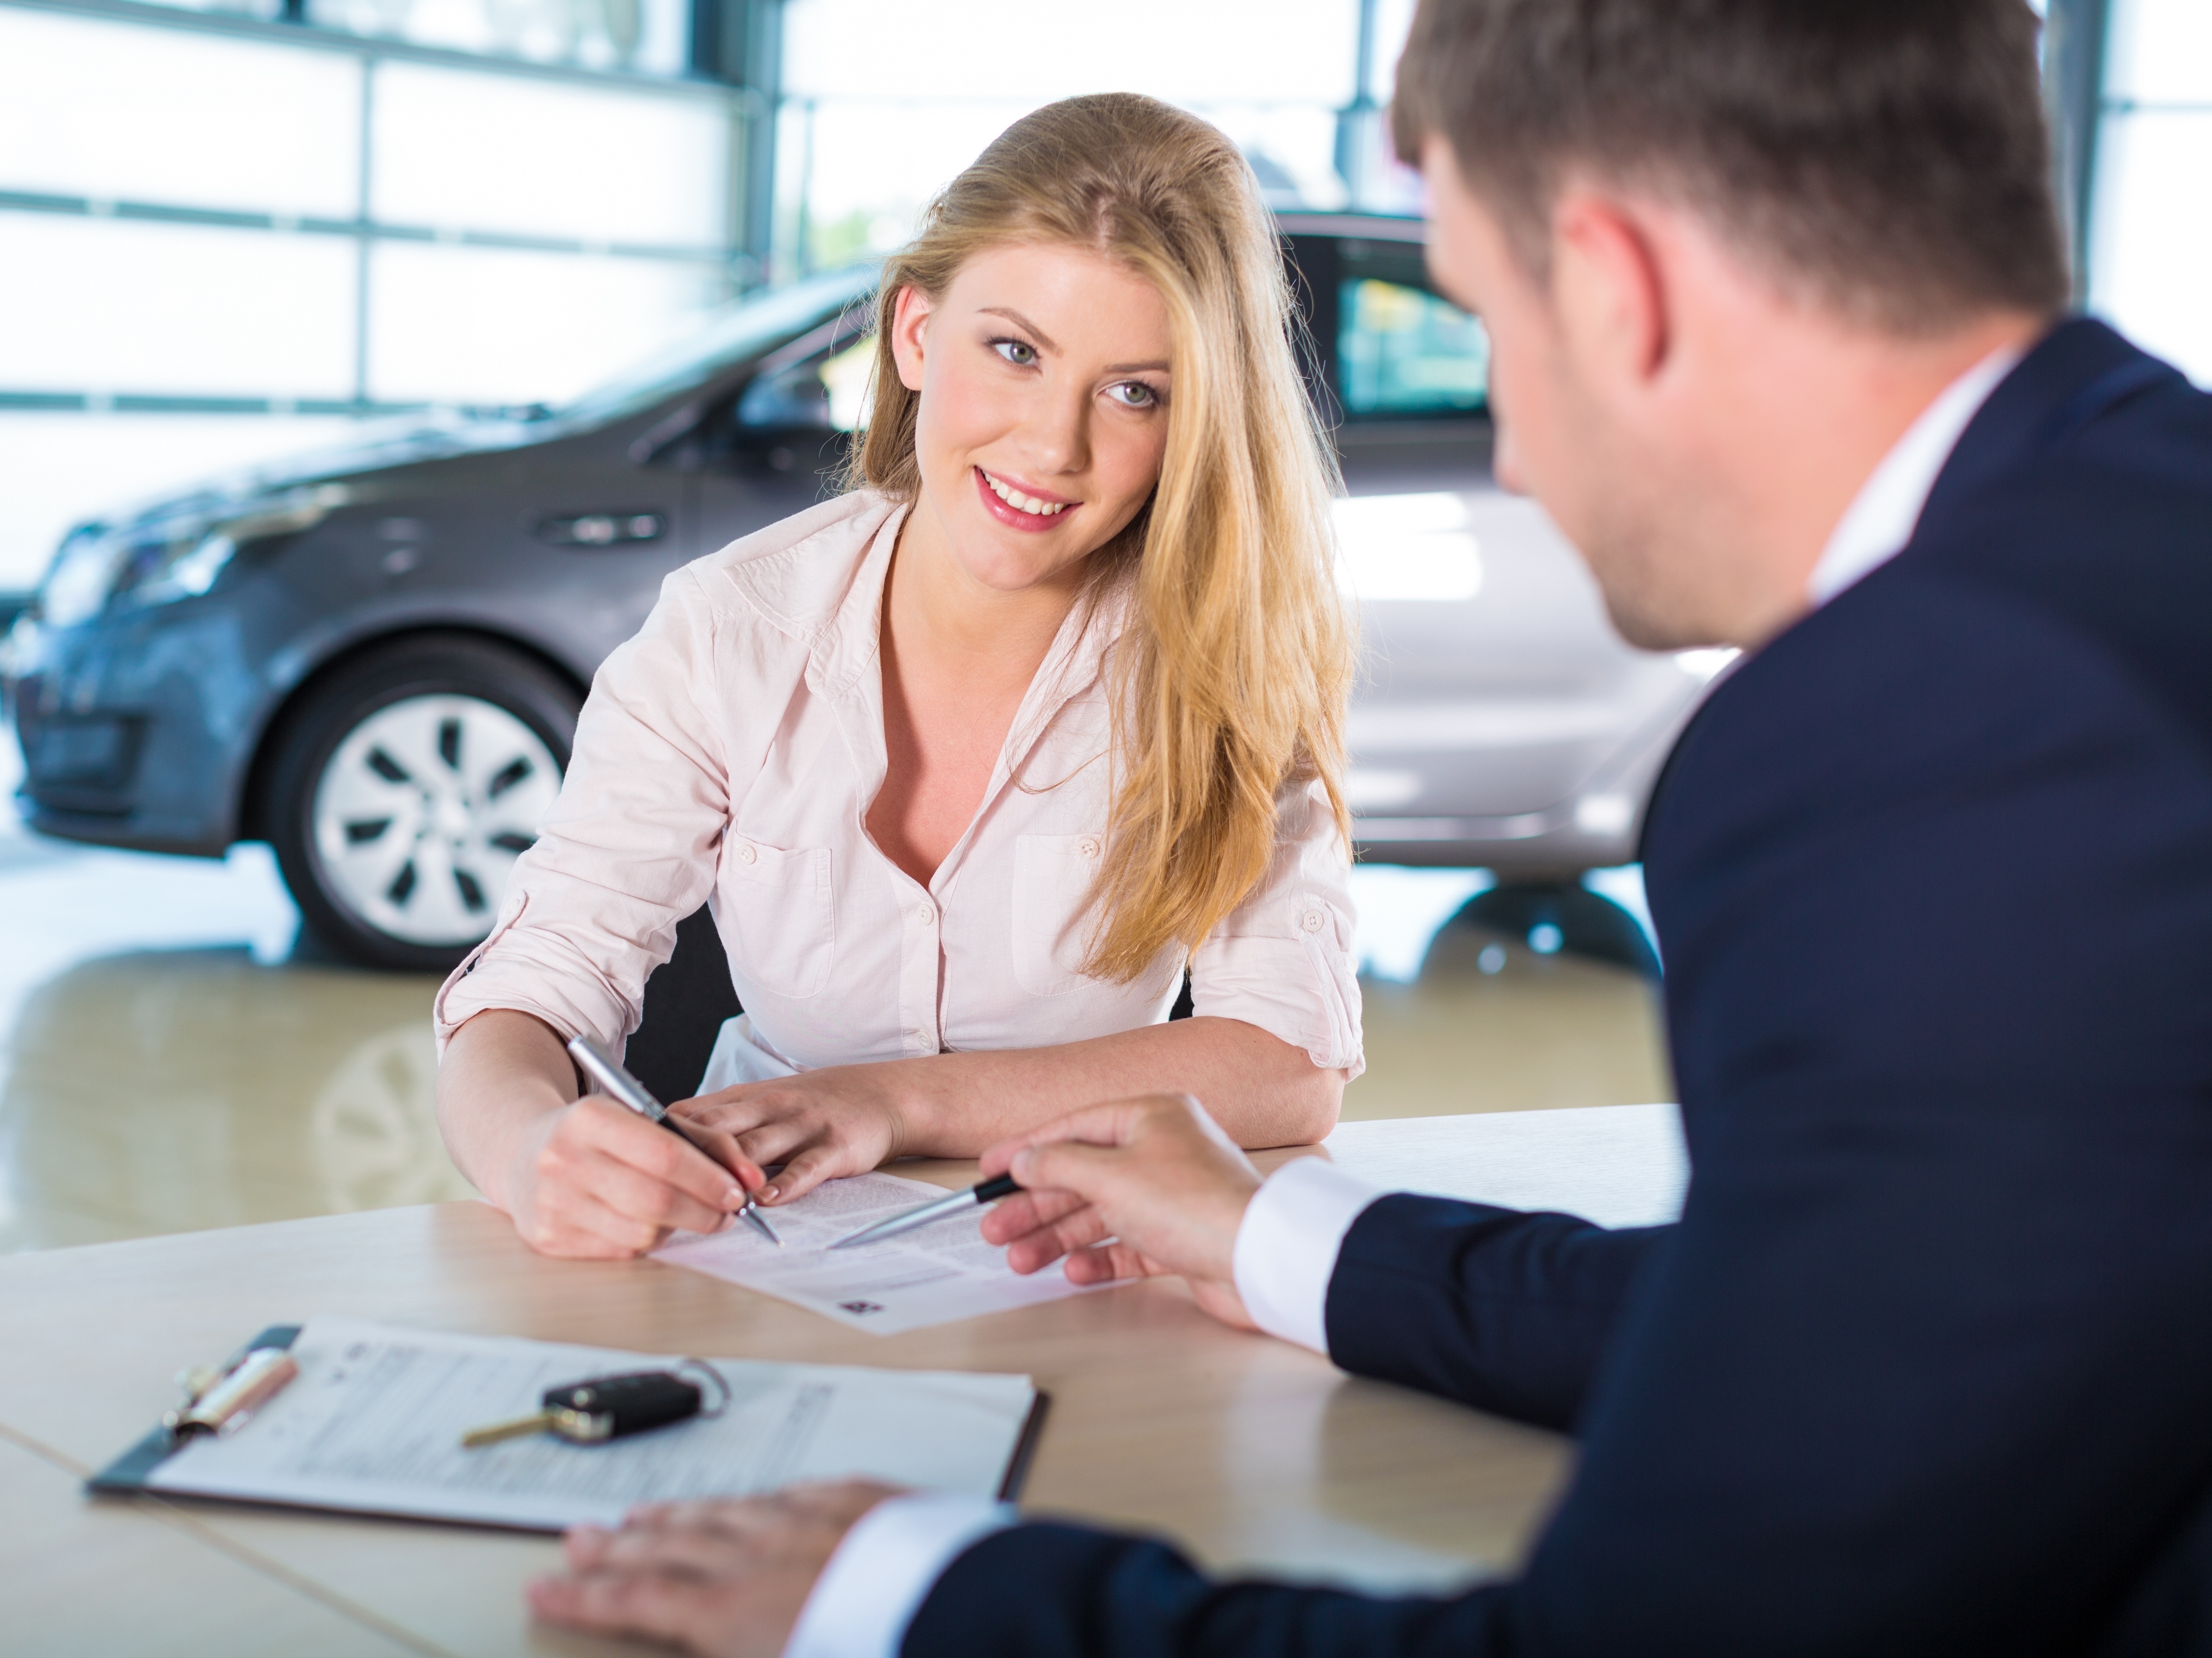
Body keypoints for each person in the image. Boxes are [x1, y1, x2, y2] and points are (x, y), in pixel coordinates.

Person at [525, 0, 2212, 1652]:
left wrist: (917, 1597)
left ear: (1611, 286)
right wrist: (1287, 1239)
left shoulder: (1937, 738)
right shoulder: (2141, 549)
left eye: (1485, 321)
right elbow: (1850, 1322)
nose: (1517, 463)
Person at [434, 95, 1364, 1260]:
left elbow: (1291, 1061)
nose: (1053, 446)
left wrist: (887, 1102)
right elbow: (533, 986)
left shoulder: (1224, 657)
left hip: (1073, 1267)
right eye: (1015, 352)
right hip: (759, 1250)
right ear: (916, 333)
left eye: (1137, 391)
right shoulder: (728, 630)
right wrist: (528, 1150)